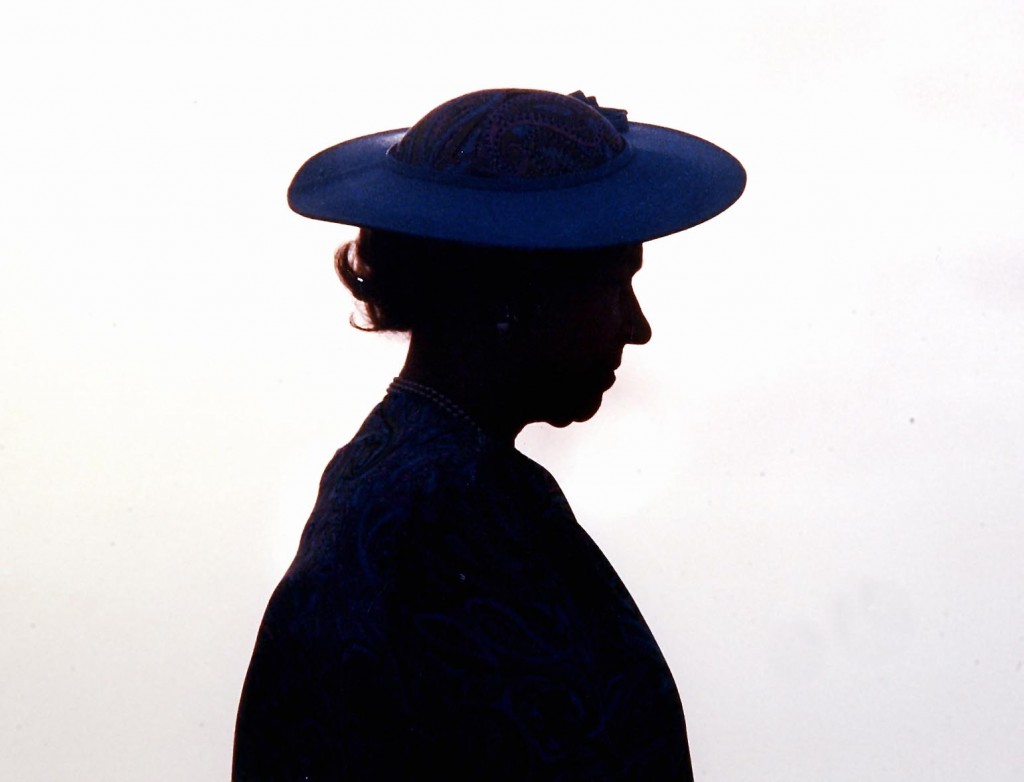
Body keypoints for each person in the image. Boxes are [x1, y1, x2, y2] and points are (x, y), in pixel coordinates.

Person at [233, 88, 745, 781]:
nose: (636, 326)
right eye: (613, 286)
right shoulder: (444, 513)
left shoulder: (428, 481)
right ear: (515, 292)